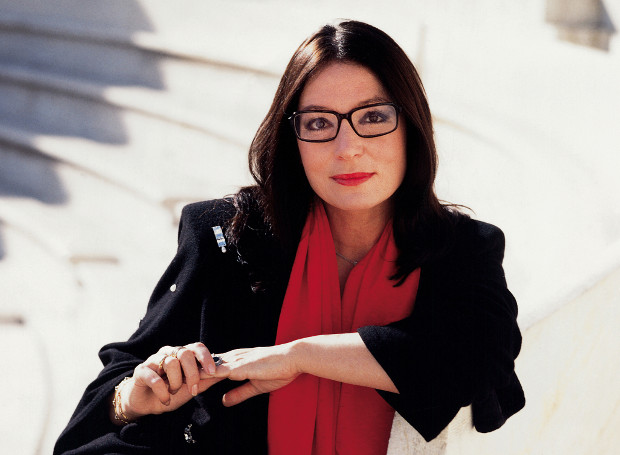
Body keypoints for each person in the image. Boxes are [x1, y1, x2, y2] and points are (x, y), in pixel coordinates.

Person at [54, 20, 524, 455]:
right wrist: (134, 397)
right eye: (319, 123)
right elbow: (107, 396)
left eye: (373, 117)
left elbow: (483, 359)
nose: (348, 147)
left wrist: (301, 356)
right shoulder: (229, 236)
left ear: (412, 128)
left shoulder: (462, 247)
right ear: (292, 139)